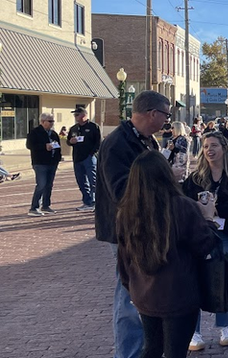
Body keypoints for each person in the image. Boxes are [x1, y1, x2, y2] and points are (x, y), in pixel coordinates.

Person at [115, 151, 217, 358]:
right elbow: (205, 245)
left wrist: (131, 285)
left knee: (152, 348)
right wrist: (208, 219)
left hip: (144, 292)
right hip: (179, 293)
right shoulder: (182, 206)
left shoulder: (126, 212)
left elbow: (123, 257)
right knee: (175, 351)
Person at [96, 90, 171, 358]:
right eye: (166, 114)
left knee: (142, 292)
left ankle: (144, 349)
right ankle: (128, 354)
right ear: (152, 113)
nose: (167, 121)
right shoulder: (118, 143)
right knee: (128, 295)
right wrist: (165, 178)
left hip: (144, 227)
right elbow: (121, 191)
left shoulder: (146, 140)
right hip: (126, 231)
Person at [182, 132, 228, 351]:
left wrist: (217, 210)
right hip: (200, 235)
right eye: (205, 146)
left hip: (227, 235)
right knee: (194, 279)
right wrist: (203, 212)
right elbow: (183, 203)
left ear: (224, 148)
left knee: (224, 278)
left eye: (214, 145)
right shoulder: (195, 178)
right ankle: (194, 331)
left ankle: (225, 326)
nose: (209, 150)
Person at [26, 112, 62, 217]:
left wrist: (58, 159)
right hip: (40, 163)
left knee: (49, 185)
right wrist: (44, 146)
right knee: (41, 184)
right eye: (50, 121)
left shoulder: (54, 134)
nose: (52, 123)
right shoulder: (35, 132)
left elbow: (58, 146)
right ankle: (34, 207)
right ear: (42, 122)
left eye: (53, 121)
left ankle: (46, 205)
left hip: (52, 163)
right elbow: (30, 145)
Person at [67, 106, 101, 211]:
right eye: (75, 115)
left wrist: (92, 153)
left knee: (93, 180)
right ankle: (87, 202)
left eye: (77, 114)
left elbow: (98, 142)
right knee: (81, 181)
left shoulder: (93, 127)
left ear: (84, 115)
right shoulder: (73, 128)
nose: (76, 117)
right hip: (77, 158)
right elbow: (68, 141)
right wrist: (70, 142)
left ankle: (96, 202)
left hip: (89, 158)